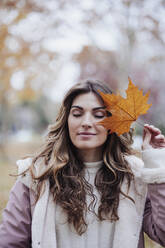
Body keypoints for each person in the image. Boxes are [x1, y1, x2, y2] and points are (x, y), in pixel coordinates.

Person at [0, 79, 165, 248]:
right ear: (66, 120)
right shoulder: (35, 175)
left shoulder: (135, 177)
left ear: (113, 124)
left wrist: (156, 163)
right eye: (77, 114)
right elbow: (10, 243)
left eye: (99, 115)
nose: (86, 122)